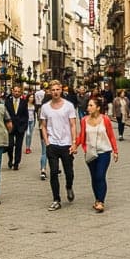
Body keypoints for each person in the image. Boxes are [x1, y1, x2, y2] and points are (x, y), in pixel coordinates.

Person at [39, 80, 78, 211]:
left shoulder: (68, 106)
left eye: (57, 89)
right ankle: (56, 199)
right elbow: (43, 126)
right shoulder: (45, 107)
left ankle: (69, 186)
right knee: (54, 172)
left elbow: (73, 125)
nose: (55, 92)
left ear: (61, 90)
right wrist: (47, 142)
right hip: (53, 144)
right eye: (53, 90)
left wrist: (74, 142)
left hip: (66, 143)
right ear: (49, 91)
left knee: (69, 172)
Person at [76, 96, 120, 212]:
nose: (88, 108)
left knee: (100, 175)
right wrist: (75, 146)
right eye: (88, 105)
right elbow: (81, 136)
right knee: (94, 177)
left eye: (91, 105)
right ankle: (97, 199)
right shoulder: (84, 120)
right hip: (90, 152)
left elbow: (111, 136)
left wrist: (115, 151)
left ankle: (101, 201)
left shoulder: (105, 120)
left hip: (104, 151)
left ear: (98, 108)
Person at [4, 85, 30, 170]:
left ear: (20, 93)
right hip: (10, 127)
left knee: (19, 146)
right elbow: (5, 114)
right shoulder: (7, 101)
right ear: (12, 91)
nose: (17, 93)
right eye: (15, 91)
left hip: (20, 127)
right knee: (10, 145)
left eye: (18, 91)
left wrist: (25, 126)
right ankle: (10, 159)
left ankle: (16, 163)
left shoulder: (23, 102)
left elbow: (26, 115)